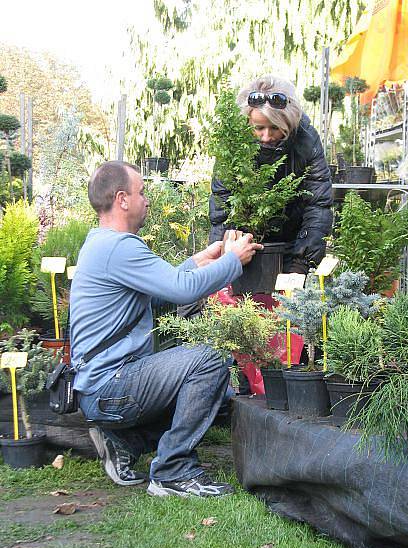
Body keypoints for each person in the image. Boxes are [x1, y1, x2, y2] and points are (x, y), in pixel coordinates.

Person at [70, 161, 261, 497]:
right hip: (111, 387)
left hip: (102, 387)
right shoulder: (119, 246)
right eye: (141, 192)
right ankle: (172, 472)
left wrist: (204, 258)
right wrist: (232, 261)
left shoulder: (102, 243)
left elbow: (158, 294)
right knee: (210, 361)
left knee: (219, 395)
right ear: (122, 199)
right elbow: (182, 290)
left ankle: (125, 442)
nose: (146, 200)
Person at [209, 74, 333, 275]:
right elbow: (223, 204)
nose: (266, 137)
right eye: (258, 128)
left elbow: (318, 205)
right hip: (246, 247)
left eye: (274, 128)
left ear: (288, 122)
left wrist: (302, 262)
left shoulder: (306, 140)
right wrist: (221, 258)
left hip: (293, 242)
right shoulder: (233, 146)